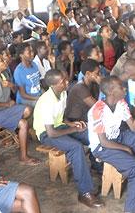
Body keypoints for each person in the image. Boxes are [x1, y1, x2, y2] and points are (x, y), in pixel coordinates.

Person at [88, 76, 135, 213]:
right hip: (102, 148)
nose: (124, 89)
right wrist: (125, 148)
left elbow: (133, 128)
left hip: (118, 138)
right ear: (111, 91)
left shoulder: (121, 103)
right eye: (121, 87)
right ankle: (132, 209)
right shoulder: (97, 110)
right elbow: (103, 141)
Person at [33, 69, 104, 208]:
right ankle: (85, 193)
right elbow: (51, 132)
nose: (67, 82)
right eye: (62, 81)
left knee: (91, 134)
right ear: (53, 85)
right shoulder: (47, 101)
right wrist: (73, 129)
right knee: (75, 147)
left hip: (59, 126)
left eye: (66, 79)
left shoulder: (63, 93)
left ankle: (97, 165)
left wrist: (71, 123)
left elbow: (60, 117)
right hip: (46, 133)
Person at [0, 54, 39, 165]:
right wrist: (7, 105)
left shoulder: (4, 74)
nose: (5, 61)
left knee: (23, 123)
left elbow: (14, 90)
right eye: (1, 60)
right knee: (27, 110)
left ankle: (23, 156)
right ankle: (13, 131)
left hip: (4, 111)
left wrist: (11, 85)